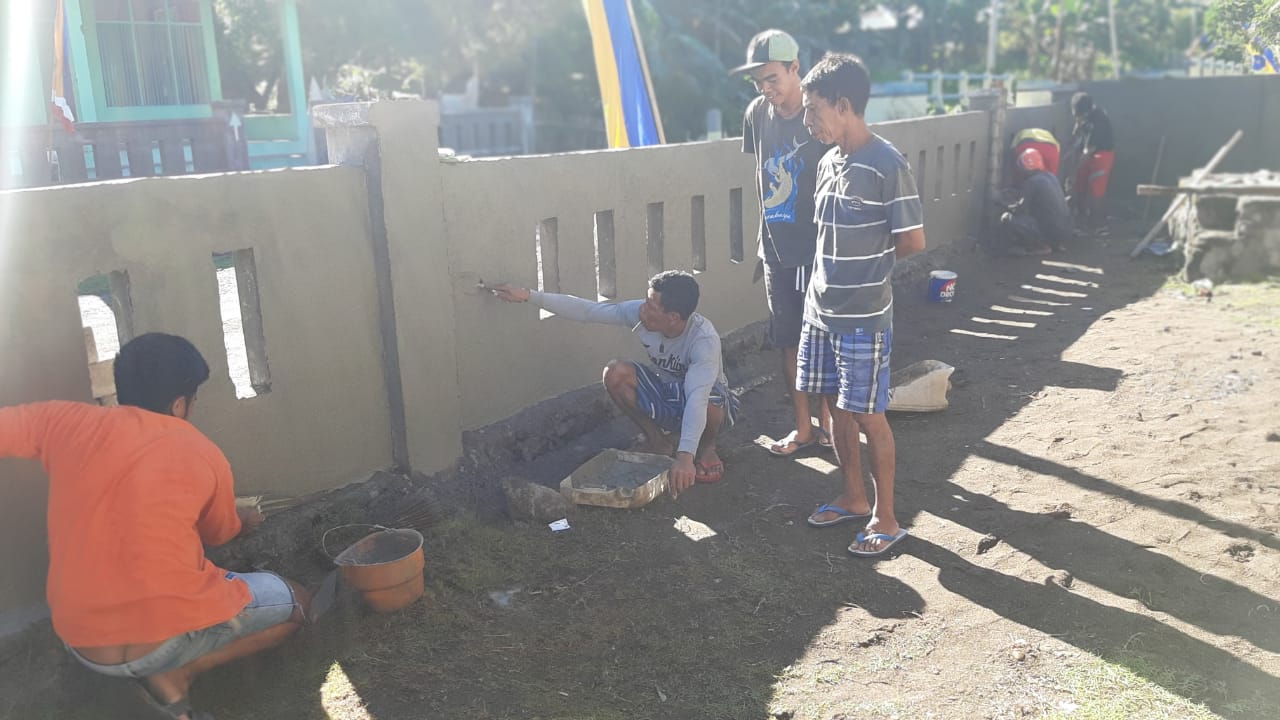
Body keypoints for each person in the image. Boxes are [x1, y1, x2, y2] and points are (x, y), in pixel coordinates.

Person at [0, 333, 310, 720]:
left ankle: (152, 673)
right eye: (194, 399)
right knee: (299, 602)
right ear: (179, 404)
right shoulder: (202, 452)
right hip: (160, 643)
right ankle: (179, 673)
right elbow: (219, 534)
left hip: (81, 642)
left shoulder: (65, 422)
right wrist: (243, 518)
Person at [797, 53, 926, 557]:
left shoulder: (887, 164)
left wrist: (866, 273)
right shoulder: (828, 162)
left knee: (869, 413)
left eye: (813, 109)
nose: (807, 121)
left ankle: (885, 518)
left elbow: (911, 240)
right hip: (819, 310)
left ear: (844, 105)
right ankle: (852, 497)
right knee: (835, 406)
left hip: (863, 316)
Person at [493, 271, 738, 497]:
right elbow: (588, 311)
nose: (642, 308)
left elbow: (696, 398)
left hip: (707, 404)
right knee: (615, 373)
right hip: (667, 394)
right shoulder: (639, 314)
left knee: (710, 397)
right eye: (645, 300)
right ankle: (658, 442)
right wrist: (528, 296)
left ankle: (707, 448)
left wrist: (685, 458)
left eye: (651, 306)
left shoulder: (703, 340)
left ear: (673, 317)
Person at [733, 28, 834, 458]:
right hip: (776, 249)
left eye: (772, 78)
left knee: (825, 339)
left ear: (796, 68)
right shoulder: (756, 113)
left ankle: (830, 425)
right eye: (758, 81)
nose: (765, 88)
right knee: (788, 340)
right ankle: (803, 427)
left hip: (819, 248)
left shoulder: (818, 113)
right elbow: (762, 169)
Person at [998, 147, 1074, 256]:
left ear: (1025, 168)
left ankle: (1041, 246)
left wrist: (1003, 204)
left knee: (1008, 218)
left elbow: (1021, 210)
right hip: (1065, 232)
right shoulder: (1051, 177)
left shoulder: (1032, 182)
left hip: (1051, 232)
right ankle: (1054, 244)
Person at [1069, 92, 1115, 235]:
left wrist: (1073, 172)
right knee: (1079, 186)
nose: (1077, 118)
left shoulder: (1099, 121)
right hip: (1088, 152)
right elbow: (1077, 139)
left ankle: (1098, 225)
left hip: (1102, 154)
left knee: (1096, 190)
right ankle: (1081, 222)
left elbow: (1088, 151)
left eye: (1079, 115)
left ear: (1087, 112)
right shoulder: (1084, 116)